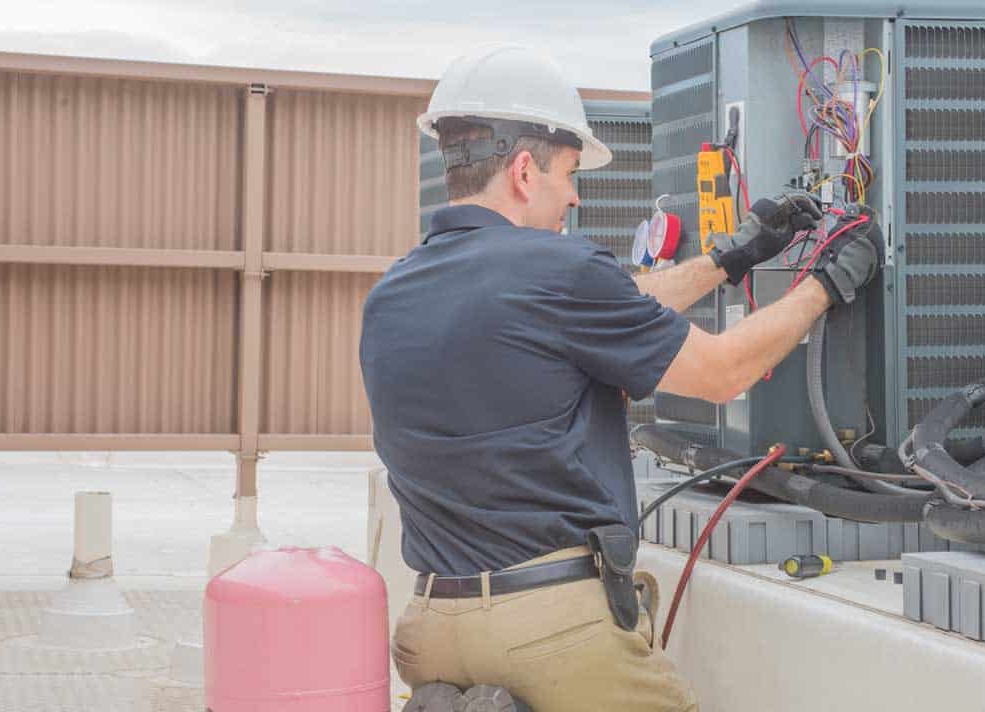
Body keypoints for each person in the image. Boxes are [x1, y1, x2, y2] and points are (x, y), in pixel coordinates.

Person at [359, 43, 884, 712]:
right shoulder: (557, 271)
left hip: (430, 628)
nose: (575, 196)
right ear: (524, 170)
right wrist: (827, 284)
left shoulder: (394, 292)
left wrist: (733, 257)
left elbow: (609, 311)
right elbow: (724, 372)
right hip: (549, 628)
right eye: (570, 173)